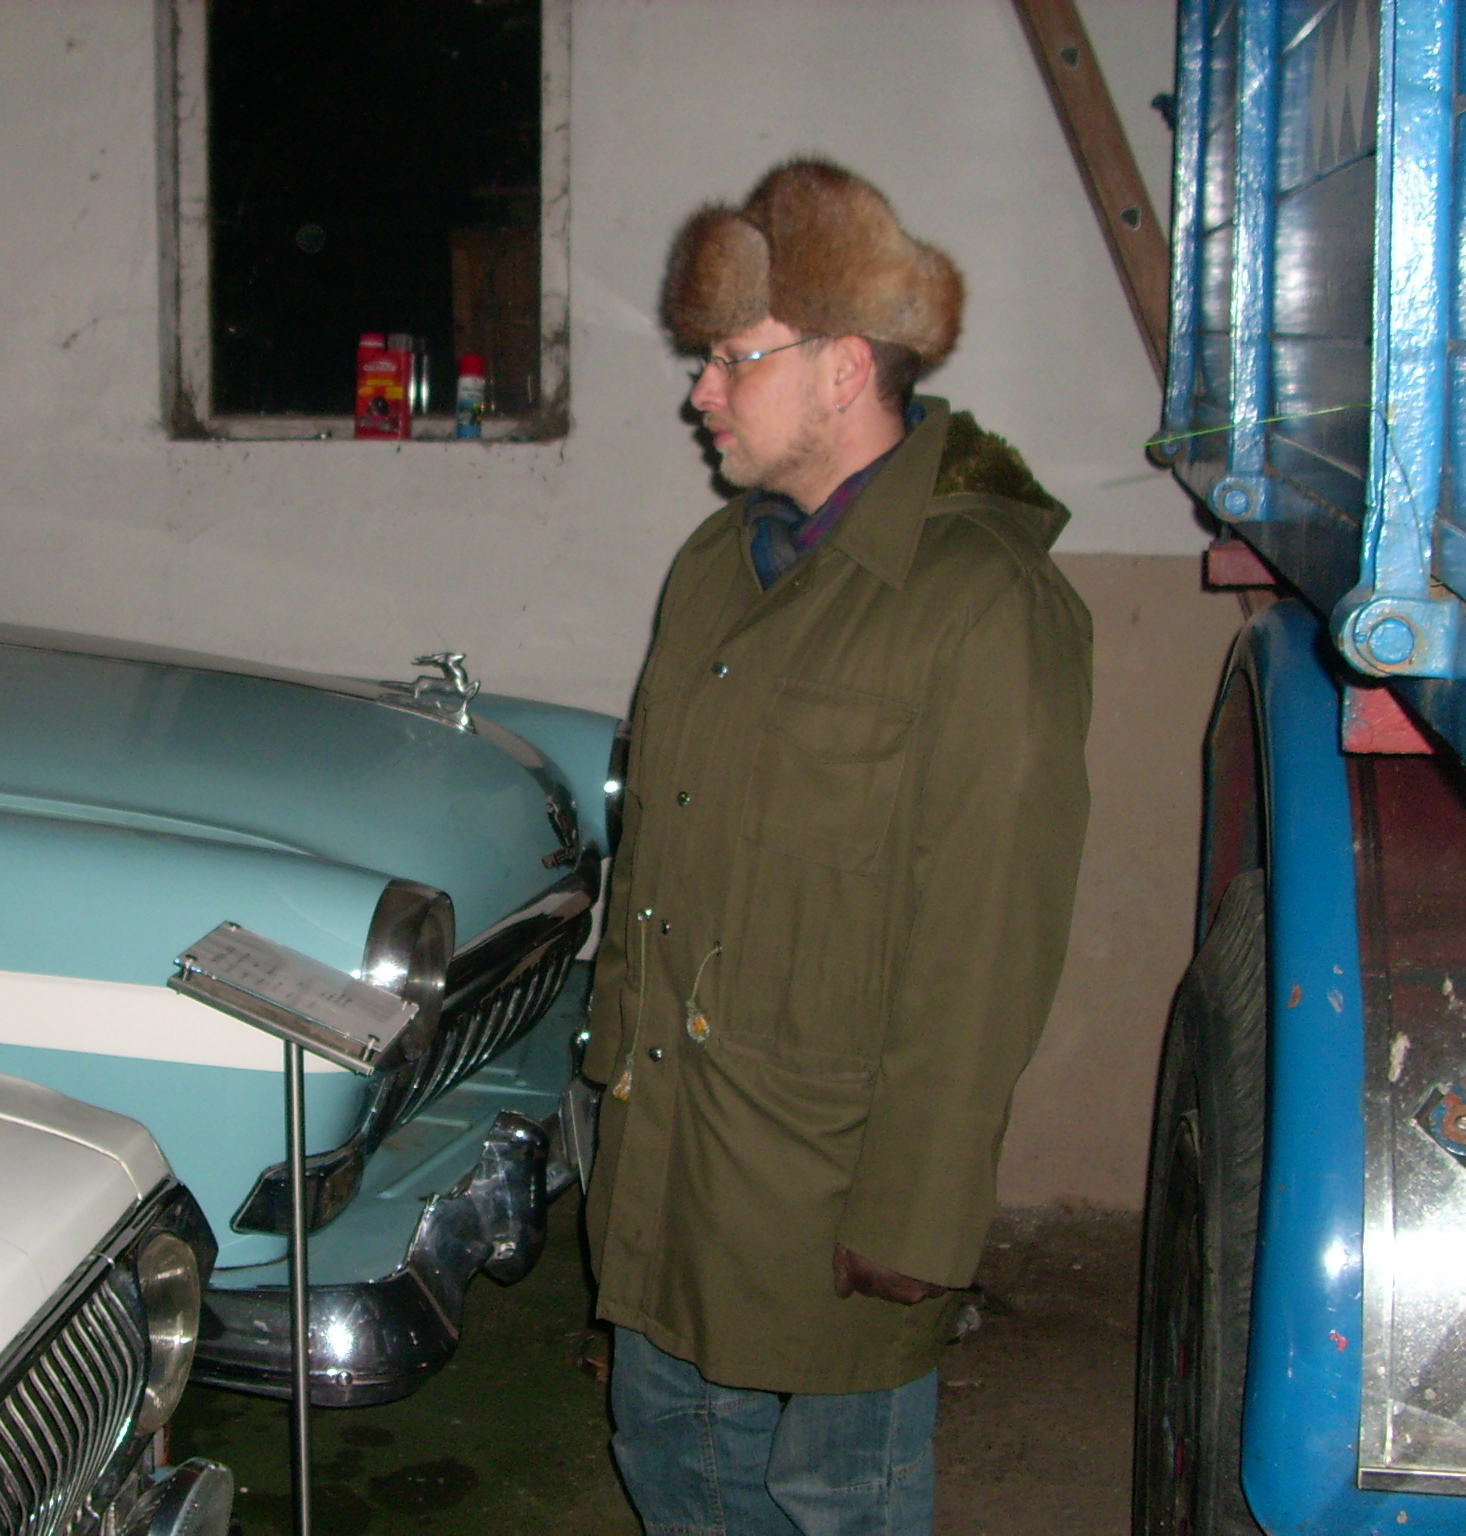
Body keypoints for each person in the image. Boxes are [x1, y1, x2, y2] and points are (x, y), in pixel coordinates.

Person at [583, 158, 1093, 1536]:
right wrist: (611, 1077)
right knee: (677, 1467)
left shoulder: (980, 603)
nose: (701, 394)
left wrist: (919, 1215)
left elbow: (987, 939)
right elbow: (655, 861)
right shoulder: (715, 567)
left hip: (826, 1184)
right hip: (672, 1143)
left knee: (832, 1501)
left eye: (731, 359)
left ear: (844, 365)